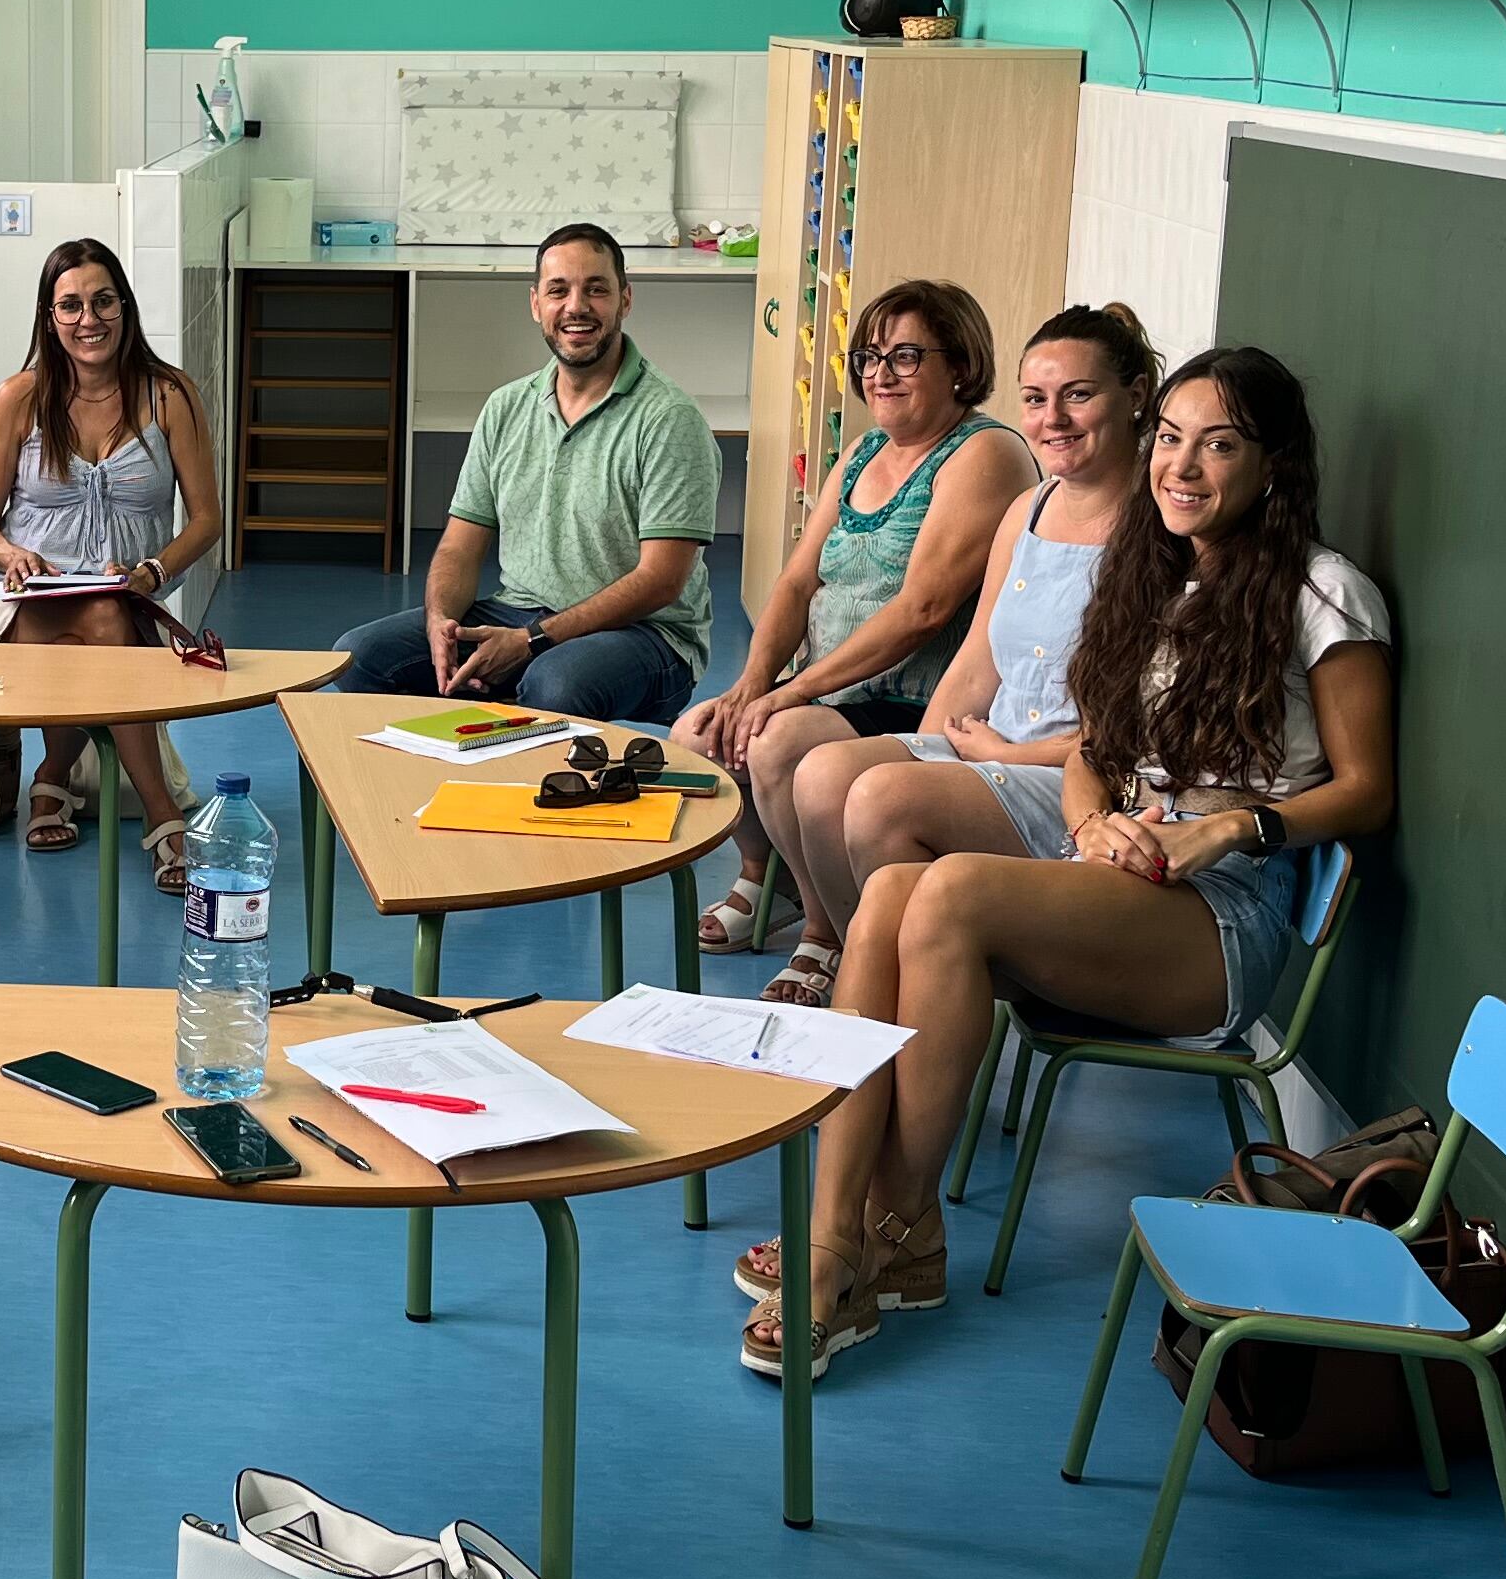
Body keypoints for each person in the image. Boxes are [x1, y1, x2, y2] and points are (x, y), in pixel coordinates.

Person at [736, 347, 1394, 1380]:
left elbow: (1366, 789)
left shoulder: (1327, 592)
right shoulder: (1159, 575)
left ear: (1273, 463)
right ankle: (848, 1236)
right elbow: (1095, 754)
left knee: (944, 888)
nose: (1182, 465)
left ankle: (889, 1235)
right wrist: (1091, 826)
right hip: (1125, 877)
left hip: (1222, 914)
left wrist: (1231, 828)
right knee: (892, 900)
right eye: (1171, 439)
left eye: (1218, 444)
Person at [672, 280, 1033, 1001]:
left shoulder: (985, 453)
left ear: (959, 364)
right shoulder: (867, 449)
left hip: (914, 699)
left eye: (905, 356)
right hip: (833, 687)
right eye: (869, 356)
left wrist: (792, 693)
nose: (879, 374)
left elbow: (924, 608)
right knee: (699, 732)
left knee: (775, 741)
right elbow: (798, 581)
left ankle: (826, 931)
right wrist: (751, 684)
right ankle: (766, 882)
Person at [330, 224, 717, 727]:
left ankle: (517, 784)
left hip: (646, 635)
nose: (576, 306)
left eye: (595, 289)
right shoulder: (506, 407)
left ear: (625, 300)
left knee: (553, 683)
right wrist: (439, 627)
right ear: (536, 304)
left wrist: (531, 641)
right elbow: (459, 548)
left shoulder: (669, 419)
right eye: (559, 290)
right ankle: (450, 780)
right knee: (358, 656)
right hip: (517, 614)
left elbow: (659, 582)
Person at [0, 239, 225, 892]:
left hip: (132, 597)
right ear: (49, 317)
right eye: (70, 305)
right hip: (28, 602)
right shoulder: (17, 398)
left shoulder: (170, 395)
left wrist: (154, 573)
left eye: (103, 301)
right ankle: (164, 822)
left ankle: (52, 776)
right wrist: (11, 553)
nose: (89, 319)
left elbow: (206, 520)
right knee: (100, 622)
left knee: (107, 612)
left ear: (126, 308)